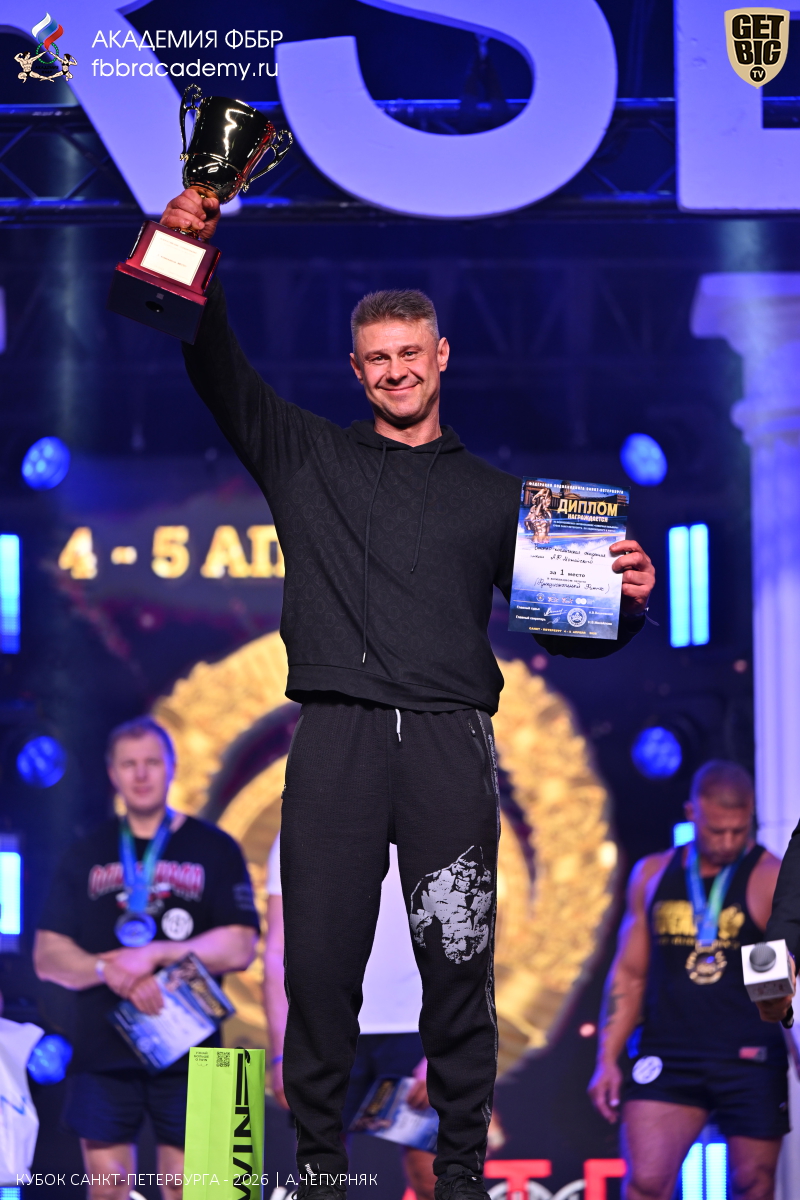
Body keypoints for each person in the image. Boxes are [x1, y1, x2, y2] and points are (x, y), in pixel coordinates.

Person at [160, 186, 656, 1200]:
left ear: (440, 358)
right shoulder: (308, 456)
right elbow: (212, 364)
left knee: (458, 966)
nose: (394, 371)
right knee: (319, 973)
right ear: (357, 370)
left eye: (409, 354)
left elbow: (576, 634)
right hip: (335, 744)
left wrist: (631, 604)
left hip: (446, 744)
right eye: (376, 358)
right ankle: (322, 1175)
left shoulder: (503, 500)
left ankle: (462, 1176)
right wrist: (184, 246)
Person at [33, 717, 260, 1200]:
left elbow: (241, 945)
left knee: (199, 1192)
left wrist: (156, 955)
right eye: (129, 764)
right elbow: (47, 956)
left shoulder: (215, 847)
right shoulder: (85, 851)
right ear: (111, 772)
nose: (140, 774)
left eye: (152, 762)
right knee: (108, 1190)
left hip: (197, 1049)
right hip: (102, 1047)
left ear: (172, 767)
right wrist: (109, 970)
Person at [588, 761, 787, 1200]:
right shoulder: (652, 874)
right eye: (717, 830)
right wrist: (606, 1058)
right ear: (692, 812)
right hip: (668, 1054)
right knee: (645, 1183)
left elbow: (776, 985)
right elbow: (631, 974)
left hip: (747, 1057)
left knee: (753, 1184)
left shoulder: (767, 878)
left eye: (738, 830)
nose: (729, 841)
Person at [265, 832, 435, 1200]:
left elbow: (467, 948)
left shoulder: (433, 823)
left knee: (433, 1178)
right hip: (326, 1030)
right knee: (321, 1180)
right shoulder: (299, 829)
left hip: (419, 1028)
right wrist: (283, 1053)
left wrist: (446, 1050)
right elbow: (278, 950)